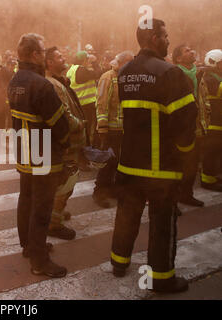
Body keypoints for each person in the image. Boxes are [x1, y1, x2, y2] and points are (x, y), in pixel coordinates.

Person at [110, 18, 197, 293]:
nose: (169, 41)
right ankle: (161, 278)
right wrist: (185, 155)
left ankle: (119, 261)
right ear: (155, 39)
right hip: (161, 169)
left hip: (129, 164)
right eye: (166, 36)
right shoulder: (170, 73)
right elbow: (185, 122)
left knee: (126, 214)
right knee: (162, 222)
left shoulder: (124, 72)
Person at [8, 33, 70, 278]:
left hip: (25, 151)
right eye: (43, 52)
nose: (44, 56)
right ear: (35, 54)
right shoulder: (41, 84)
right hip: (43, 153)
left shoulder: (15, 80)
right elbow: (59, 124)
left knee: (26, 198)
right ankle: (39, 261)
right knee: (42, 207)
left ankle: (29, 246)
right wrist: (65, 145)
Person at [44, 46, 87, 240]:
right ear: (49, 62)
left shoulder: (58, 81)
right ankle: (54, 223)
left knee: (64, 181)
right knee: (66, 182)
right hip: (68, 142)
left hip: (70, 142)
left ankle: (57, 212)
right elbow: (65, 116)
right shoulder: (53, 84)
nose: (64, 58)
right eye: (59, 56)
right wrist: (80, 124)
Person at [93, 51, 134, 208]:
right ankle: (99, 192)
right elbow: (101, 103)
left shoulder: (126, 77)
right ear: (122, 62)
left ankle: (113, 189)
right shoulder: (108, 77)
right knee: (108, 162)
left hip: (124, 129)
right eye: (129, 62)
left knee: (119, 162)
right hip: (111, 129)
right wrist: (102, 129)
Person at [172, 45, 206, 206]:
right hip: (181, 129)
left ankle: (186, 194)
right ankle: (171, 200)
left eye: (191, 49)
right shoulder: (174, 74)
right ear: (178, 59)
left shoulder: (198, 74)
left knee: (192, 164)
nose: (192, 51)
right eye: (187, 50)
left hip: (196, 126)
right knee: (177, 165)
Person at [66, 50, 103, 147]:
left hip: (77, 104)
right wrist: (95, 63)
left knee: (81, 128)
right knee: (90, 129)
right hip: (87, 104)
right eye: (88, 60)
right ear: (84, 60)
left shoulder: (71, 69)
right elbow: (98, 73)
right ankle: (89, 148)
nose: (89, 62)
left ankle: (84, 147)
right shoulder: (81, 70)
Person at [199, 49, 222, 191]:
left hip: (218, 121)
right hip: (213, 122)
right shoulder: (209, 78)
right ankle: (207, 180)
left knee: (216, 151)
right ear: (213, 63)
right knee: (211, 152)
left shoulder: (215, 76)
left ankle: (212, 176)